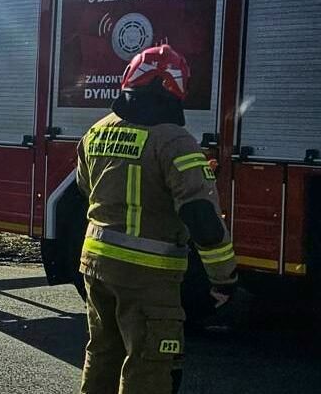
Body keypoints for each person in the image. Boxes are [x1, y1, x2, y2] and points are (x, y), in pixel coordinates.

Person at [77, 44, 238, 394]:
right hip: (147, 276)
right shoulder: (175, 142)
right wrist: (223, 279)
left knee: (103, 353)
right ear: (173, 87)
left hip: (96, 265)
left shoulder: (96, 131)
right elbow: (202, 218)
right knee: (150, 366)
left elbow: (85, 187)